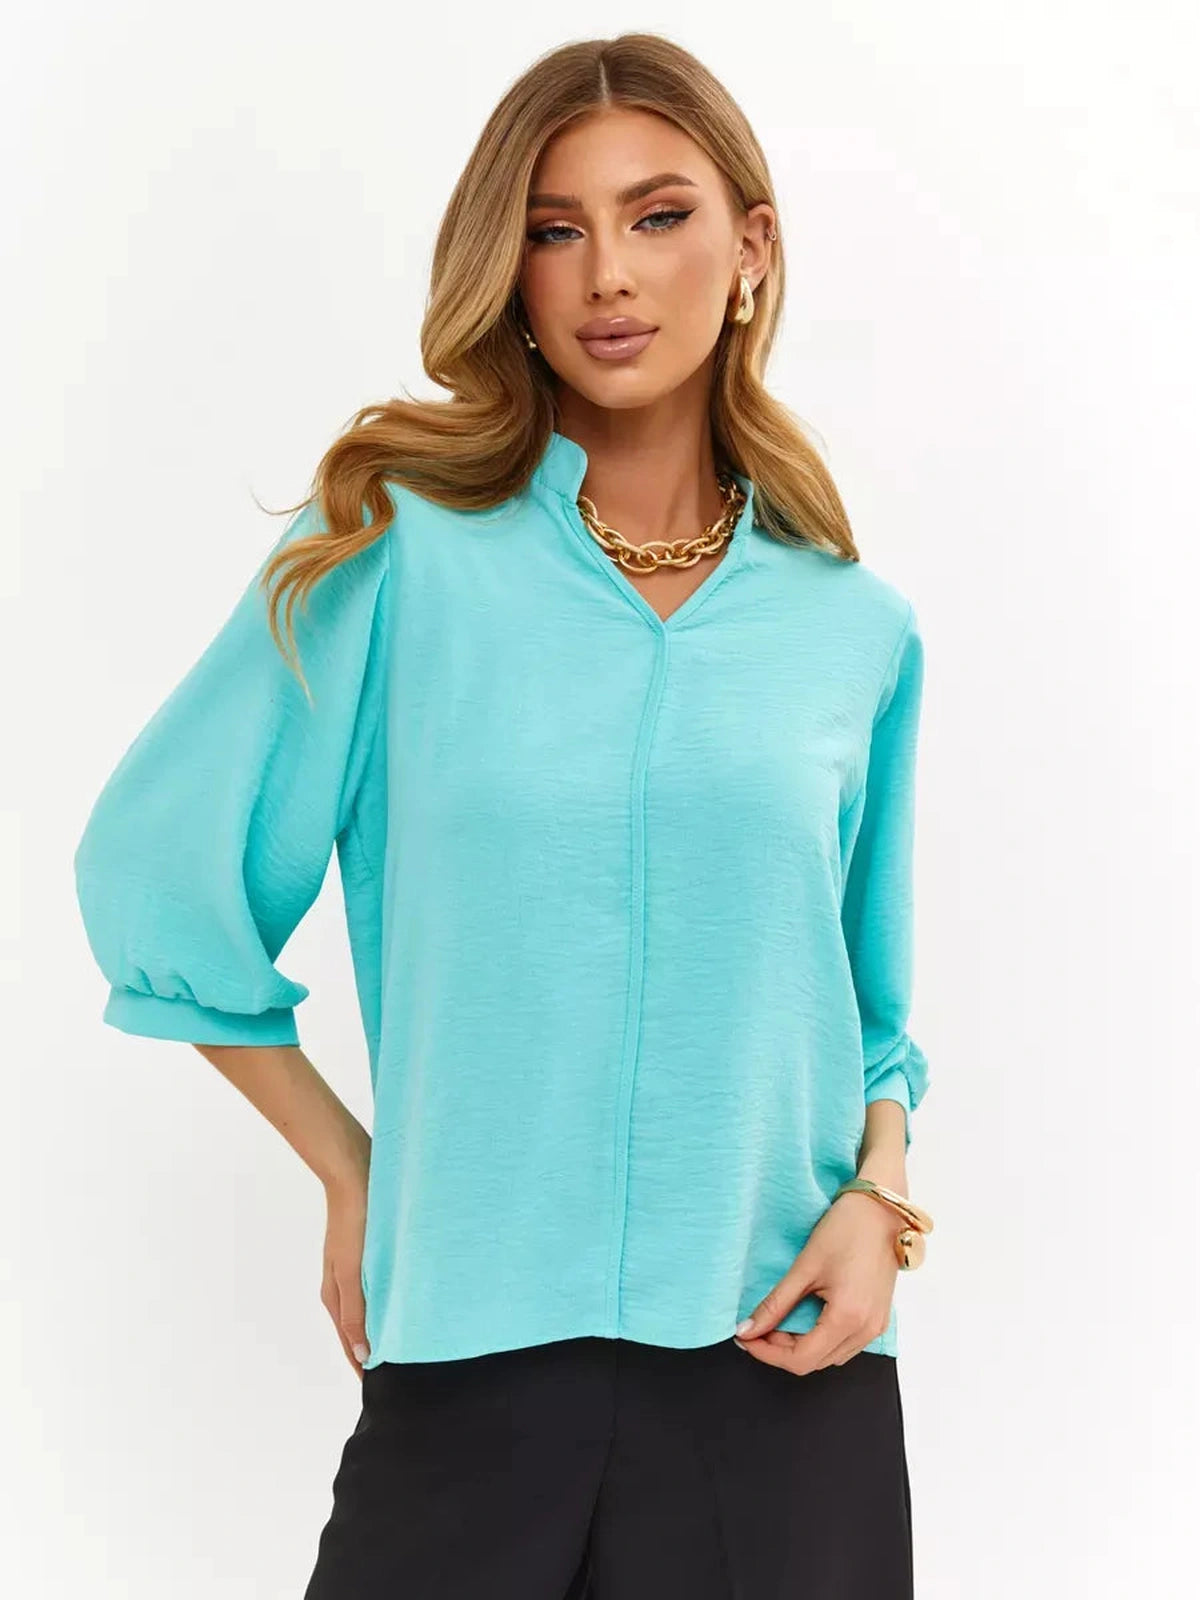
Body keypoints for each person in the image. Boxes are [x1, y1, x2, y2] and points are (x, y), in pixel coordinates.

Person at [73, 31, 934, 1600]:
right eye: (554, 229)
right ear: (510, 272)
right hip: (472, 1366)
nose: (609, 272)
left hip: (783, 1368)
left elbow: (865, 1011)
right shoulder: (395, 554)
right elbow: (154, 871)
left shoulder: (850, 627)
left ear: (752, 248)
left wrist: (882, 1200)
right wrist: (353, 1171)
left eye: (659, 215)